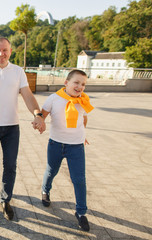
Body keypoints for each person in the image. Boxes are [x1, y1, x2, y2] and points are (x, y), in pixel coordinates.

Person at [0, 37, 45, 220]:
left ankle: (5, 200)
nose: (1, 54)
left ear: (10, 52)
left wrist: (38, 113)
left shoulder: (18, 71)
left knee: (10, 165)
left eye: (5, 50)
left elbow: (27, 95)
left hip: (12, 127)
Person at [40, 69, 94, 231]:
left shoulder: (83, 100)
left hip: (76, 146)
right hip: (56, 144)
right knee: (51, 171)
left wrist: (82, 135)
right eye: (76, 82)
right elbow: (42, 115)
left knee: (79, 179)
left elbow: (84, 118)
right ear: (66, 83)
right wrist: (39, 122)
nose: (79, 87)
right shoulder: (54, 98)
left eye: (83, 84)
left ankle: (81, 212)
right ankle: (45, 190)